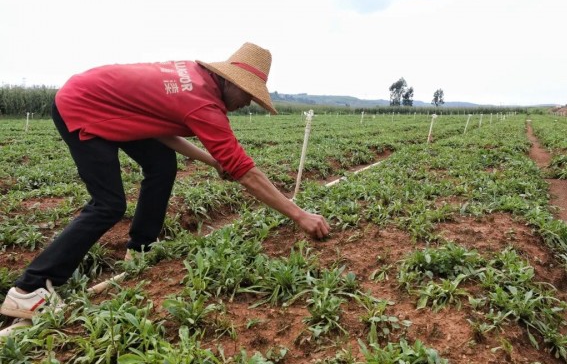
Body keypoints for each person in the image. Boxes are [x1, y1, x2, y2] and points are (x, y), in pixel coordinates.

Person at [0, 42, 330, 320]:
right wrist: (300, 215)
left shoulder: (195, 78)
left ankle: (140, 248)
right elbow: (245, 171)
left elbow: (160, 130)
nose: (247, 105)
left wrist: (213, 161)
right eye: (248, 96)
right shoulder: (203, 102)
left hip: (105, 101)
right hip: (83, 105)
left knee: (160, 164)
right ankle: (29, 290)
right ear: (232, 83)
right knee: (109, 204)